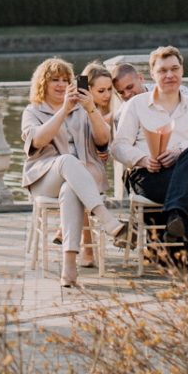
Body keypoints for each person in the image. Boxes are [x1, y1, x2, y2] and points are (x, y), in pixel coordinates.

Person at [111, 46, 188, 286]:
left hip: (182, 172)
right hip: (148, 175)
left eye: (174, 69)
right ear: (152, 74)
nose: (170, 75)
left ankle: (175, 214)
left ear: (182, 70)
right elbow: (118, 147)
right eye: (163, 70)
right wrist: (142, 158)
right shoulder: (135, 105)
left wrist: (179, 152)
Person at [22, 58, 127, 289]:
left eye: (65, 80)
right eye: (54, 80)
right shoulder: (33, 111)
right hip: (43, 178)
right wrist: (63, 111)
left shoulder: (82, 109)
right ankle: (105, 218)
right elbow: (38, 140)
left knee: (71, 189)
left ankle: (69, 265)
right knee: (68, 161)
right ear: (43, 84)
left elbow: (102, 141)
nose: (61, 85)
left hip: (76, 180)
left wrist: (90, 109)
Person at [76, 62, 116, 268]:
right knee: (79, 175)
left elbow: (104, 156)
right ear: (88, 89)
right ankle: (86, 243)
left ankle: (83, 242)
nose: (107, 94)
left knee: (86, 175)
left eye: (110, 89)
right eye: (101, 90)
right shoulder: (74, 111)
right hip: (75, 170)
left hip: (94, 170)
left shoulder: (106, 113)